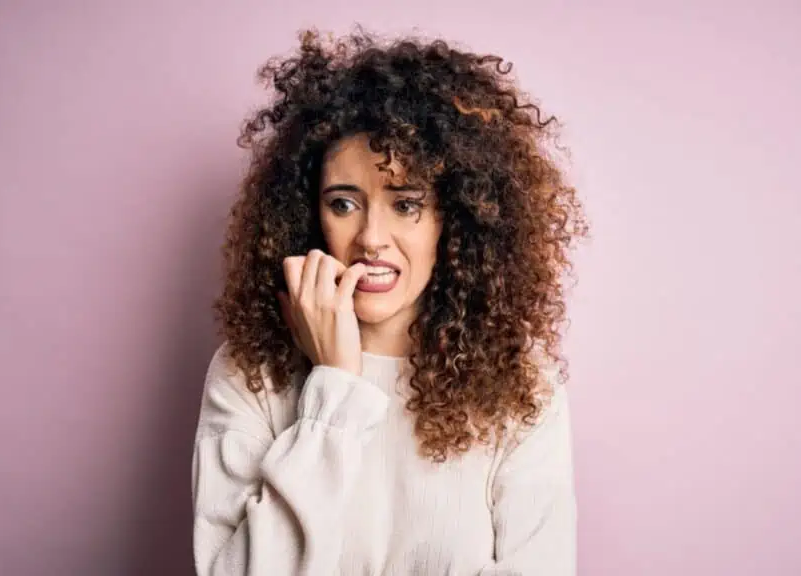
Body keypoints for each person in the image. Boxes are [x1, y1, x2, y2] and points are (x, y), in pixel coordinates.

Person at [191, 28, 588, 576]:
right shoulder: (250, 375)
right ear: (310, 216)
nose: (371, 238)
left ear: (455, 220)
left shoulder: (522, 387)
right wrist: (336, 385)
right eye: (344, 203)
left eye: (405, 205)